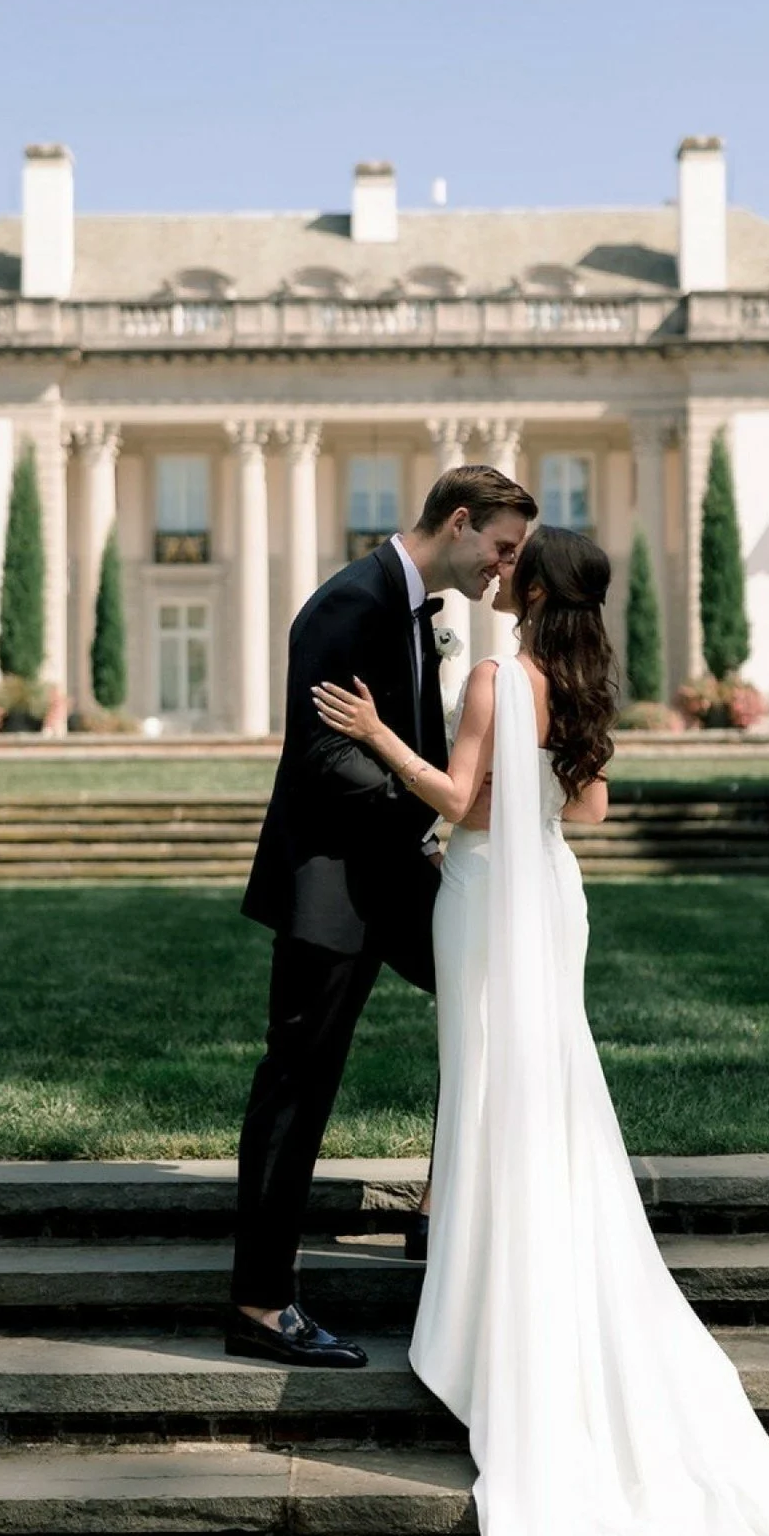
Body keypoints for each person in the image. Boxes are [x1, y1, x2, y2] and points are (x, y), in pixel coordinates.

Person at [313, 524, 769, 1536]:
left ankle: (486, 1303)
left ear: (523, 585)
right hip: (552, 898)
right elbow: (596, 811)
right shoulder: (572, 684)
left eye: (511, 562)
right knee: (544, 1092)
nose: (495, 569)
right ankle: (521, 1269)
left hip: (483, 900)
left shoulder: (493, 674)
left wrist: (377, 740)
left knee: (493, 1087)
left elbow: (461, 806)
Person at [227, 463, 538, 1368]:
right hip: (330, 887)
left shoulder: (406, 608)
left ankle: (442, 1218)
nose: (504, 568)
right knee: (298, 1081)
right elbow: (326, 759)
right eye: (501, 548)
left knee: (498, 999)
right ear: (459, 520)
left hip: (393, 872)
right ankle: (258, 1301)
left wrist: (422, 828)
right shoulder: (348, 605)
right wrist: (434, 808)